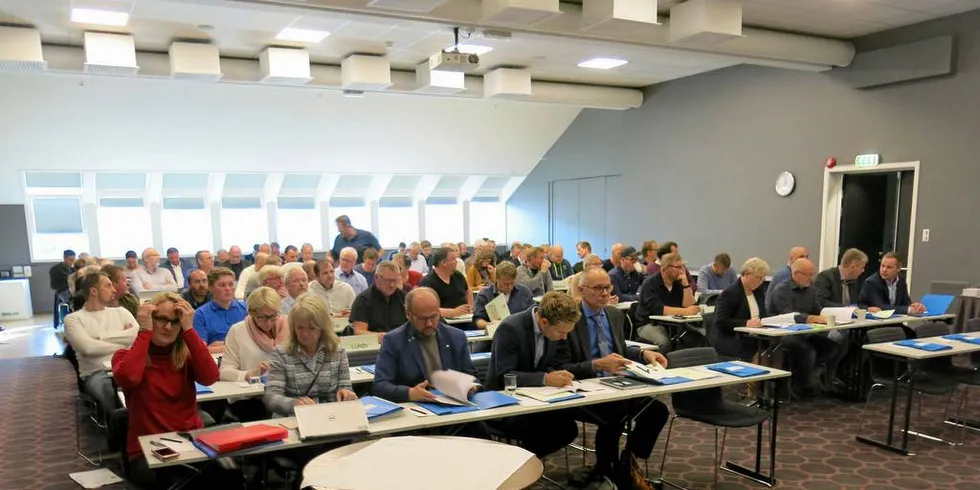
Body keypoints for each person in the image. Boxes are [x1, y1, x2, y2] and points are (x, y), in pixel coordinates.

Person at [555, 268, 670, 484]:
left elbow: (621, 348)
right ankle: (605, 470)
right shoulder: (570, 319)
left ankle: (628, 459)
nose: (605, 293)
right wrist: (595, 364)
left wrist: (644, 353)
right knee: (614, 416)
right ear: (581, 290)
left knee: (657, 411)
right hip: (583, 388)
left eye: (607, 287)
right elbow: (561, 366)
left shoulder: (615, 315)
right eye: (598, 288)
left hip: (616, 382)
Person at [112, 293, 219, 489]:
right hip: (148, 449)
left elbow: (210, 377)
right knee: (175, 482)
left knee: (228, 475)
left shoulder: (185, 357)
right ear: (150, 319)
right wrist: (144, 331)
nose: (168, 327)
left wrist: (189, 329)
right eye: (160, 319)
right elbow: (129, 377)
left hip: (190, 442)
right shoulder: (124, 356)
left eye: (175, 321)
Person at [486, 292, 580, 458]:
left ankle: (526, 462)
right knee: (551, 428)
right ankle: (521, 465)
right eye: (561, 333)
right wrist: (545, 378)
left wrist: (556, 374)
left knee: (568, 427)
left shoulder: (554, 329)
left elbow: (551, 363)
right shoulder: (510, 328)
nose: (564, 337)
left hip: (539, 400)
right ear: (544, 322)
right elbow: (504, 375)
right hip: (506, 403)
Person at [372, 288, 478, 402]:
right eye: (422, 318)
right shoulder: (393, 341)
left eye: (433, 317)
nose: (429, 323)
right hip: (416, 409)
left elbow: (471, 375)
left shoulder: (456, 336)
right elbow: (380, 386)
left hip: (456, 404)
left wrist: (471, 386)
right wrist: (410, 393)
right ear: (408, 314)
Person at [264, 294, 357, 416]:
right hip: (293, 418)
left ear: (322, 328)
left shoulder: (337, 351)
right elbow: (271, 397)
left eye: (311, 328)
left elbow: (345, 386)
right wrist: (293, 404)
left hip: (330, 417)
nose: (305, 334)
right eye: (300, 328)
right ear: (293, 328)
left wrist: (346, 393)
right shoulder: (281, 354)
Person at [769, 258, 848, 396]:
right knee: (808, 351)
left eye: (812, 274)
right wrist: (809, 318)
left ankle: (804, 374)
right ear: (796, 273)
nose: (812, 278)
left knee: (832, 346)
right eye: (808, 274)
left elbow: (817, 310)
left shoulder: (811, 290)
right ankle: (798, 385)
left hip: (806, 332)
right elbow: (787, 314)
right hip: (783, 333)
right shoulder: (781, 290)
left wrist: (830, 317)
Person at [65, 271, 139, 414]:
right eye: (108, 286)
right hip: (97, 373)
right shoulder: (73, 319)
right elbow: (88, 348)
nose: (114, 289)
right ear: (94, 291)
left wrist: (99, 338)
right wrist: (124, 342)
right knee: (109, 391)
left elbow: (137, 337)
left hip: (127, 367)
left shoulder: (121, 312)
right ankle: (121, 428)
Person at [221, 287, 289, 421]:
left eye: (272, 316)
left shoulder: (289, 326)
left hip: (284, 392)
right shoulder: (238, 331)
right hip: (250, 398)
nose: (268, 322)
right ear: (251, 313)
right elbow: (224, 371)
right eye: (261, 317)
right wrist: (250, 374)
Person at [635, 253, 700, 351]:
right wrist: (686, 311)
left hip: (673, 324)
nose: (682, 270)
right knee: (664, 343)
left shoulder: (678, 283)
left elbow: (688, 305)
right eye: (678, 267)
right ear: (665, 268)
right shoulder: (650, 284)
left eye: (682, 267)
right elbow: (659, 309)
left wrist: (686, 285)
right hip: (649, 324)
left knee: (698, 339)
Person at [712, 258, 770, 360]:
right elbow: (721, 321)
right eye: (758, 278)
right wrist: (745, 323)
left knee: (778, 347)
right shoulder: (730, 293)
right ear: (746, 274)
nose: (760, 282)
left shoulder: (758, 292)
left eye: (763, 279)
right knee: (761, 352)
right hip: (736, 339)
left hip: (756, 336)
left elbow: (763, 314)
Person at [193, 267, 248, 354]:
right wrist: (235, 345)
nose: (228, 289)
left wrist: (222, 345)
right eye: (222, 285)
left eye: (231, 284)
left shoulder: (245, 308)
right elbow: (200, 350)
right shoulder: (200, 314)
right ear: (211, 288)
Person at [350, 261, 407, 338]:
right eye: (388, 281)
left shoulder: (404, 297)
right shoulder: (363, 300)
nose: (392, 285)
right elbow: (359, 331)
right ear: (377, 278)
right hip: (375, 345)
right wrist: (382, 337)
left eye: (395, 280)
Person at [859, 252, 926, 315]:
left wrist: (915, 306)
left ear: (898, 268)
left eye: (889, 267)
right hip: (876, 323)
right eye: (882, 266)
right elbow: (880, 307)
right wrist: (908, 310)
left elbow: (906, 302)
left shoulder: (901, 280)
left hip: (895, 321)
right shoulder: (871, 282)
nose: (884, 270)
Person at [473, 262, 535, 329]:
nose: (510, 287)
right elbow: (478, 320)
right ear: (497, 279)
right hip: (494, 334)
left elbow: (533, 316)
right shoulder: (485, 295)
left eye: (512, 283)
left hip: (520, 334)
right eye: (506, 284)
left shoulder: (525, 292)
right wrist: (490, 325)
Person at [420, 246, 473, 319]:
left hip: (465, 318)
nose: (457, 261)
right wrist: (453, 312)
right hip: (442, 321)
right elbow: (426, 308)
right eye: (453, 259)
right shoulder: (428, 282)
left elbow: (468, 291)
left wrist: (470, 307)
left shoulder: (458, 275)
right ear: (443, 262)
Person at [765, 246, 809, 312]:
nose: (805, 259)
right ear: (791, 259)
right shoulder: (785, 275)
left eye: (807, 257)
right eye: (801, 257)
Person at [50, 249, 76, 326]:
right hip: (62, 290)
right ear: (64, 258)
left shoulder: (72, 269)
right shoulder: (55, 269)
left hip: (72, 289)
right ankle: (72, 321)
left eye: (73, 260)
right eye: (70, 260)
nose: (72, 262)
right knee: (75, 301)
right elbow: (53, 285)